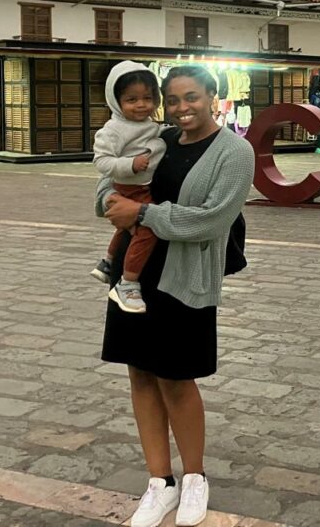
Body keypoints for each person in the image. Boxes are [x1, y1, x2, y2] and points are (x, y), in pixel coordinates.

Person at [97, 65, 254, 527]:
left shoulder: (234, 152)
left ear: (212, 96)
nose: (184, 108)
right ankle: (158, 482)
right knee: (140, 374)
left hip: (185, 278)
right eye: (175, 99)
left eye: (193, 97)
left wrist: (141, 212)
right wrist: (110, 202)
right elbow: (111, 182)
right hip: (135, 276)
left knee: (176, 379)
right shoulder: (159, 140)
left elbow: (211, 220)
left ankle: (194, 478)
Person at [92, 62, 167, 314]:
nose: (141, 104)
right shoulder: (113, 130)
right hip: (131, 188)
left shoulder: (148, 124)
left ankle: (108, 262)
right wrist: (130, 164)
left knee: (127, 228)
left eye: (148, 98)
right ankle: (128, 282)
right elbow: (101, 162)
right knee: (147, 230)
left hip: (140, 185)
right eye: (131, 99)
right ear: (116, 101)